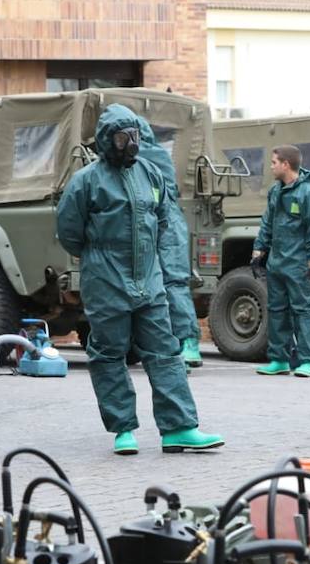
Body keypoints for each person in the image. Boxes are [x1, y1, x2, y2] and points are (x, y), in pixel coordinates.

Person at [56, 104, 224, 456]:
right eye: (121, 137)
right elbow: (69, 232)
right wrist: (100, 257)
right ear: (106, 140)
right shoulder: (86, 181)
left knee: (165, 352)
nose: (129, 143)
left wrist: (151, 262)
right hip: (106, 282)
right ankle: (123, 430)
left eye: (133, 135)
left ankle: (179, 427)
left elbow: (163, 219)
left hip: (148, 281)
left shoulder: (149, 172)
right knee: (109, 354)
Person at [251, 145, 310, 378]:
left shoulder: (309, 193)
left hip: (299, 264)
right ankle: (279, 358)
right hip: (277, 262)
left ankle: (307, 359)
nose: (271, 166)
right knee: (276, 310)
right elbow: (268, 222)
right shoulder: (276, 191)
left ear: (286, 164)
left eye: (274, 162)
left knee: (304, 310)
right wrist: (258, 250)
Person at [137, 120, 204, 369]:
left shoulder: (144, 155)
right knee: (172, 285)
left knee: (168, 286)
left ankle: (183, 344)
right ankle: (182, 345)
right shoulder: (159, 154)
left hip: (161, 222)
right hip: (169, 222)